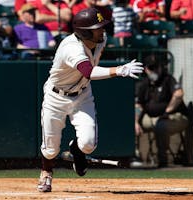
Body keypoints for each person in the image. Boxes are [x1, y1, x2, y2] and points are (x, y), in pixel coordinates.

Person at [37, 7, 143, 192]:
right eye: (98, 27)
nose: (102, 30)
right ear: (85, 31)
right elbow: (89, 71)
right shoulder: (71, 47)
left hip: (82, 94)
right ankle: (46, 173)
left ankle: (76, 151)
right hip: (56, 97)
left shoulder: (100, 39)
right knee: (51, 149)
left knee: (88, 144)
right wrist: (118, 70)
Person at [134, 54, 189, 168]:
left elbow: (179, 94)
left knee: (160, 126)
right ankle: (135, 156)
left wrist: (167, 112)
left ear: (160, 67)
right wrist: (136, 122)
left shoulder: (168, 79)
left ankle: (163, 161)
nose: (154, 71)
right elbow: (139, 105)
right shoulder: (144, 84)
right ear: (146, 69)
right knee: (131, 124)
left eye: (156, 67)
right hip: (151, 117)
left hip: (173, 117)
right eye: (151, 68)